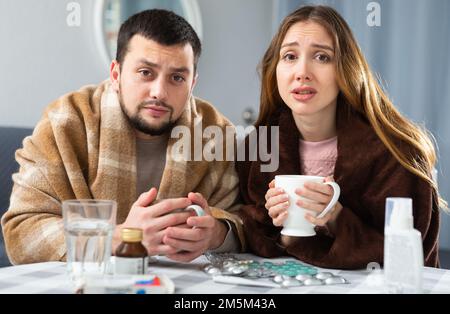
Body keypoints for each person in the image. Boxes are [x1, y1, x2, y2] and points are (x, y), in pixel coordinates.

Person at [2, 9, 243, 265]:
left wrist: (216, 233)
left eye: (177, 78)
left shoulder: (215, 132)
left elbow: (242, 220)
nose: (159, 92)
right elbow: (22, 232)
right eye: (145, 73)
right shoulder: (64, 121)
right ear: (116, 75)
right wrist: (119, 238)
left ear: (192, 84)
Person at [236, 5, 444, 269]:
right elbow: (247, 229)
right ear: (274, 69)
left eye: (322, 57)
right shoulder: (258, 148)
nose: (302, 72)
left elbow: (409, 257)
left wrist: (335, 218)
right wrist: (273, 223)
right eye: (289, 56)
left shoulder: (395, 156)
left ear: (345, 69)